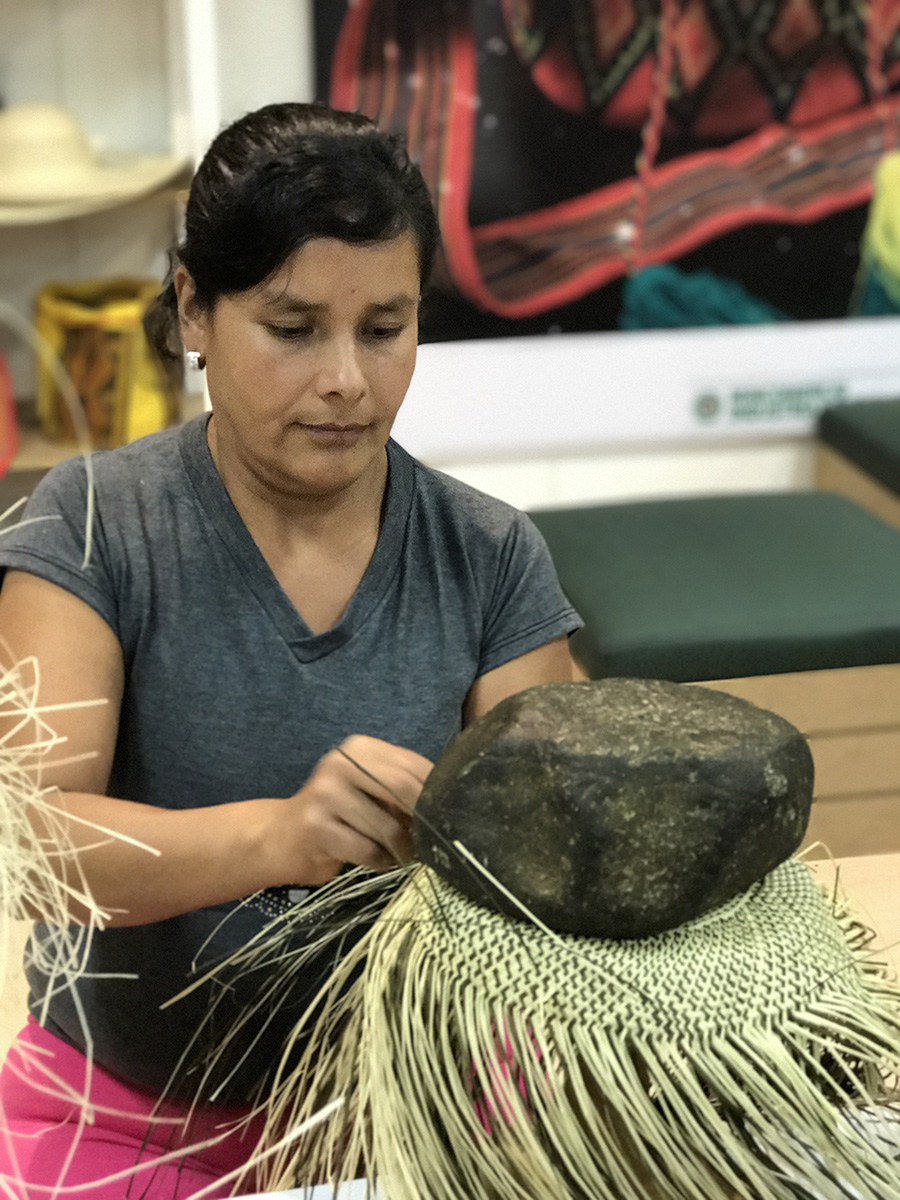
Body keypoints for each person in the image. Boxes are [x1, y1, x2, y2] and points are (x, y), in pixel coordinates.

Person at [0, 101, 580, 1198]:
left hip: (414, 1103)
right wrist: (280, 837)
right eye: (293, 327)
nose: (347, 382)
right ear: (192, 311)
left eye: (384, 327)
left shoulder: (490, 554)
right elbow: (35, 841)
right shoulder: (90, 527)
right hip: (121, 1115)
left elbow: (550, 845)